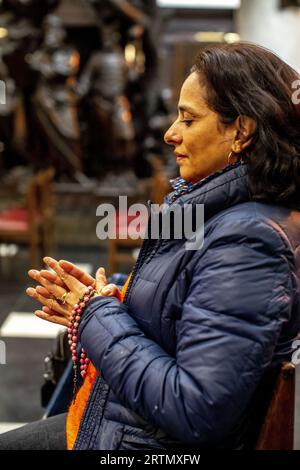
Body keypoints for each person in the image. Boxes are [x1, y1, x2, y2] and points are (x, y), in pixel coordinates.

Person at [0, 42, 300, 450]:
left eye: (188, 119)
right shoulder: (229, 213)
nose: (169, 133)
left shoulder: (249, 240)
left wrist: (93, 314)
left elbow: (197, 408)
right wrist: (114, 300)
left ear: (241, 131)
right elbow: (188, 315)